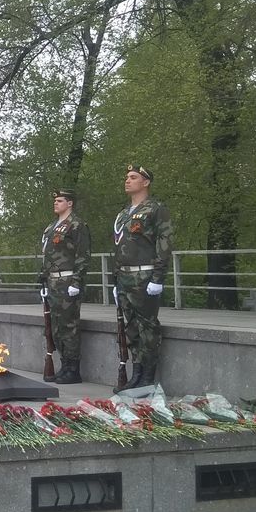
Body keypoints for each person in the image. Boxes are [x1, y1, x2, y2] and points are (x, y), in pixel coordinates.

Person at [112, 165, 174, 391]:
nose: (127, 180)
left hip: (145, 275)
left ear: (145, 182)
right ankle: (135, 373)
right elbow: (119, 247)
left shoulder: (155, 209)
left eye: (133, 177)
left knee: (148, 327)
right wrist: (115, 279)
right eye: (126, 177)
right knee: (131, 328)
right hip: (125, 277)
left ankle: (147, 375)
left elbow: (164, 243)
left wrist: (158, 277)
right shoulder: (123, 213)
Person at [38, 189, 91, 384]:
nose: (56, 203)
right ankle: (64, 364)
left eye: (60, 201)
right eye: (55, 200)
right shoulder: (52, 227)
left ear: (70, 203)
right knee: (56, 326)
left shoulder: (76, 225)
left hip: (68, 280)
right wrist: (43, 278)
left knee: (69, 325)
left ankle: (73, 368)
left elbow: (82, 255)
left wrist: (77, 282)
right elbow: (48, 256)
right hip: (53, 281)